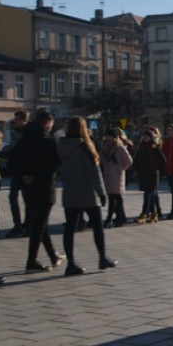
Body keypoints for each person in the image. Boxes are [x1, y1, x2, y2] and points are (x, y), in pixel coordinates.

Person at [57, 117, 118, 275]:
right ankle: (102, 258)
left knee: (70, 228)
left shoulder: (61, 146)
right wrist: (102, 193)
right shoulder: (83, 147)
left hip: (70, 192)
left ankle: (70, 263)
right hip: (88, 193)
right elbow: (94, 172)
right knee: (97, 226)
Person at [10, 111, 63, 272]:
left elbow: (13, 163)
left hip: (27, 188)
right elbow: (54, 166)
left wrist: (23, 177)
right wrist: (37, 176)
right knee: (39, 225)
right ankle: (31, 261)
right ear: (47, 123)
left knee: (39, 221)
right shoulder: (48, 142)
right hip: (44, 187)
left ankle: (53, 255)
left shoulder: (22, 141)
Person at [101, 129, 134, 227]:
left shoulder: (120, 147)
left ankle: (110, 219)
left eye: (109, 136)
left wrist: (120, 168)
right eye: (106, 136)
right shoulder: (104, 147)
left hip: (117, 175)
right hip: (108, 175)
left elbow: (129, 161)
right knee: (115, 197)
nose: (107, 138)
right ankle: (119, 217)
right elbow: (101, 159)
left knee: (114, 197)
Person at [133, 129, 165, 224]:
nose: (145, 138)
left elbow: (163, 161)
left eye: (147, 137)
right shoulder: (141, 148)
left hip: (152, 175)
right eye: (144, 137)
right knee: (150, 196)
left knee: (147, 195)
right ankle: (154, 214)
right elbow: (136, 160)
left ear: (151, 138)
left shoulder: (155, 148)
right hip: (144, 174)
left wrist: (156, 168)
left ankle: (144, 214)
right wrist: (136, 169)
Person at [6, 110, 28, 237]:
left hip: (26, 170)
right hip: (16, 171)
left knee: (27, 199)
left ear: (24, 120)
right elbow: (10, 149)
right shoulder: (13, 132)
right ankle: (17, 224)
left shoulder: (28, 133)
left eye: (18, 119)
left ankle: (27, 224)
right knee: (12, 197)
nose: (16, 122)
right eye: (15, 119)